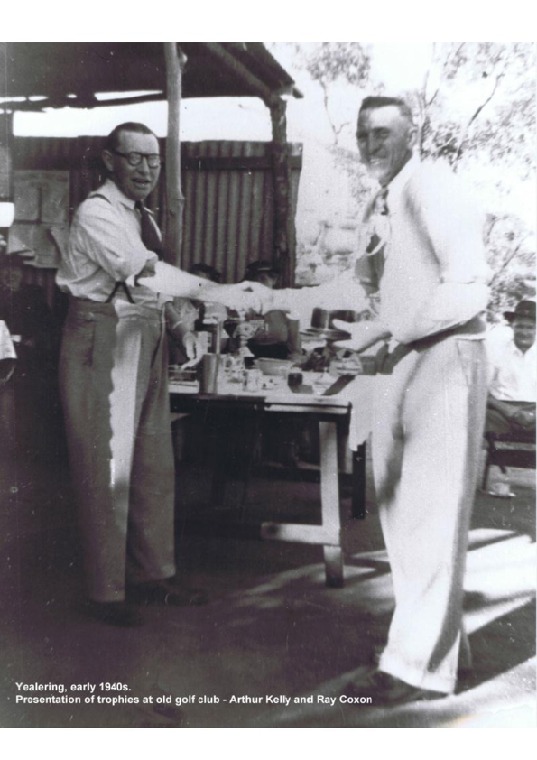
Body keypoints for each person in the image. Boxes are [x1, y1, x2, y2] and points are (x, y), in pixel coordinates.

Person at [256, 96, 489, 703]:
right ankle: (438, 651)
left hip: (445, 359)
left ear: (415, 134)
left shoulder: (435, 189)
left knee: (432, 518)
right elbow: (361, 285)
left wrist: (390, 328)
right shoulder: (376, 202)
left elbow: (468, 288)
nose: (370, 144)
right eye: (363, 134)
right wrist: (281, 299)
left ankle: (415, 667)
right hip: (399, 361)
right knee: (404, 519)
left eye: (383, 132)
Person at [56, 122, 256, 626]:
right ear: (109, 161)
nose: (146, 169)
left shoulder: (141, 216)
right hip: (103, 337)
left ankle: (152, 575)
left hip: (143, 334)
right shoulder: (98, 213)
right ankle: (106, 593)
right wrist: (220, 292)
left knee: (151, 461)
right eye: (134, 158)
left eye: (154, 159)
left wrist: (181, 322)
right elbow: (144, 274)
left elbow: (153, 291)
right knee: (110, 467)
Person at [486, 300, 536, 435]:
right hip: (502, 411)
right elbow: (484, 393)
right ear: (512, 326)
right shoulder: (496, 351)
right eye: (520, 326)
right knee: (483, 418)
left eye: (529, 327)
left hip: (535, 412)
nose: (524, 332)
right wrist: (511, 412)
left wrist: (532, 415)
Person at [242, 259, 302, 362]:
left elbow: (295, 342)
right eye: (255, 281)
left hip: (280, 357)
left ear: (274, 280)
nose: (259, 285)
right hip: (252, 357)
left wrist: (294, 363)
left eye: (263, 279)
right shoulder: (246, 306)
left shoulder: (286, 306)